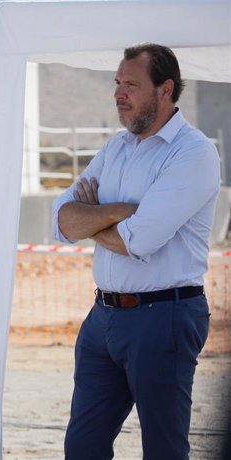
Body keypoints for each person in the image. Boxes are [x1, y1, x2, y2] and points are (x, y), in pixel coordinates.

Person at [52, 43, 221, 459]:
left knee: (163, 450)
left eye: (131, 84)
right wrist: (120, 214)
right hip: (102, 319)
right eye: (117, 83)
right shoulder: (116, 148)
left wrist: (92, 217)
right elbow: (59, 220)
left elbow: (138, 240)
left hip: (164, 318)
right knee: (83, 447)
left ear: (165, 90)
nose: (118, 94)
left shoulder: (193, 153)